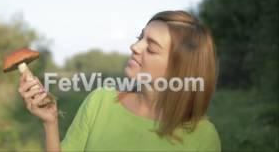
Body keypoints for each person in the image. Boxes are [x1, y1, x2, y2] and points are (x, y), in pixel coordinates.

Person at [18, 10, 221, 152]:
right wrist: (50, 122)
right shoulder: (100, 101)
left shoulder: (204, 138)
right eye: (140, 37)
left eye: (151, 48)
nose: (135, 46)